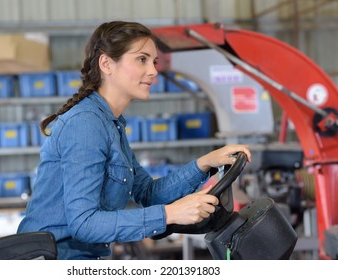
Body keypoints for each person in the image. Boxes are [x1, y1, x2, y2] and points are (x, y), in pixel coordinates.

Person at [17, 20, 251, 260]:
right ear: (106, 64)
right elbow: (84, 223)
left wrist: (204, 164)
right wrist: (169, 214)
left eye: (154, 61)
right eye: (142, 59)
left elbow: (148, 193)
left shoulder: (111, 124)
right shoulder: (85, 124)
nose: (153, 70)